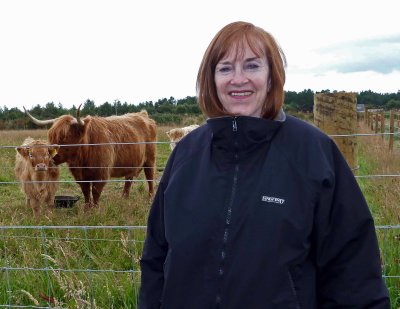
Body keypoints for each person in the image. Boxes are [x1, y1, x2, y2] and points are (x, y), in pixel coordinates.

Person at [139, 21, 390, 308]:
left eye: (252, 66)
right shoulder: (185, 154)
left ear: (272, 77)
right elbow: (156, 259)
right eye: (225, 68)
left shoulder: (314, 153)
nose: (238, 79)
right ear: (212, 80)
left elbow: (353, 271)